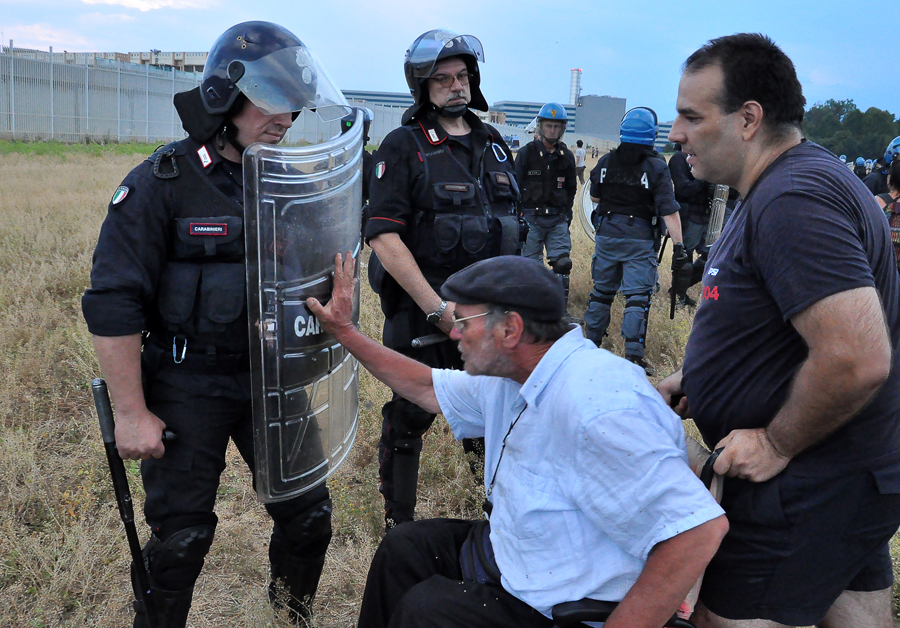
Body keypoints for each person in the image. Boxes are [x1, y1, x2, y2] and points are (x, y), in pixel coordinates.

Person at [81, 22, 348, 627]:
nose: (286, 117)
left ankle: (290, 616)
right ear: (225, 98)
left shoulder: (289, 185)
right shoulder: (160, 183)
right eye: (271, 100)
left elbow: (320, 281)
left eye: (293, 104)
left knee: (310, 517)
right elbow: (113, 302)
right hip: (186, 383)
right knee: (181, 541)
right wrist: (131, 413)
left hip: (270, 379)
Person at [306, 253, 727, 628]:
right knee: (404, 548)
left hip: (562, 600)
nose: (453, 334)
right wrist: (345, 331)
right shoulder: (514, 372)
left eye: (463, 322)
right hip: (518, 554)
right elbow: (427, 387)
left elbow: (697, 532)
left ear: (510, 329)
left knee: (427, 611)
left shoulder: (597, 407)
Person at [662, 33, 900, 628]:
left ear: (748, 119)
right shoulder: (780, 184)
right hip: (846, 473)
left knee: (723, 618)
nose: (676, 133)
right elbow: (786, 323)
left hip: (812, 478)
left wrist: (777, 443)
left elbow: (857, 358)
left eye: (692, 116)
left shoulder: (794, 198)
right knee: (851, 611)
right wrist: (702, 378)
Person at [365, 29, 521, 530]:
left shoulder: (494, 144)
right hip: (425, 316)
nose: (456, 86)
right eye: (443, 79)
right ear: (422, 87)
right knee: (411, 416)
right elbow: (383, 237)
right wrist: (437, 309)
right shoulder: (403, 146)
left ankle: (498, 519)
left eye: (462, 77)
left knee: (494, 417)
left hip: (488, 318)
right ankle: (399, 527)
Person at [584, 107, 686, 375]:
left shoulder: (606, 161)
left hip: (606, 234)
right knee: (637, 297)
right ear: (652, 135)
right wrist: (679, 247)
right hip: (639, 238)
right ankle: (632, 355)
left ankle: (590, 346)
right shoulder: (656, 166)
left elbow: (594, 197)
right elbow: (669, 210)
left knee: (601, 292)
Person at [514, 102, 577, 300]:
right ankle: (531, 308)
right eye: (549, 125)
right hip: (530, 219)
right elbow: (514, 187)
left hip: (557, 219)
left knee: (563, 264)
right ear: (540, 126)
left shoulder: (566, 157)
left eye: (557, 126)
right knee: (529, 268)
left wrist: (566, 216)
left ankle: (558, 309)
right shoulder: (526, 154)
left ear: (563, 129)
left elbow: (571, 190)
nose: (552, 130)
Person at [667, 142, 710, 307]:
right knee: (685, 256)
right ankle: (679, 296)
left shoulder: (704, 157)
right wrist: (705, 178)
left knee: (710, 257)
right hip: (689, 214)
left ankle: (678, 290)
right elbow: (683, 190)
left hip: (706, 214)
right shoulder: (678, 159)